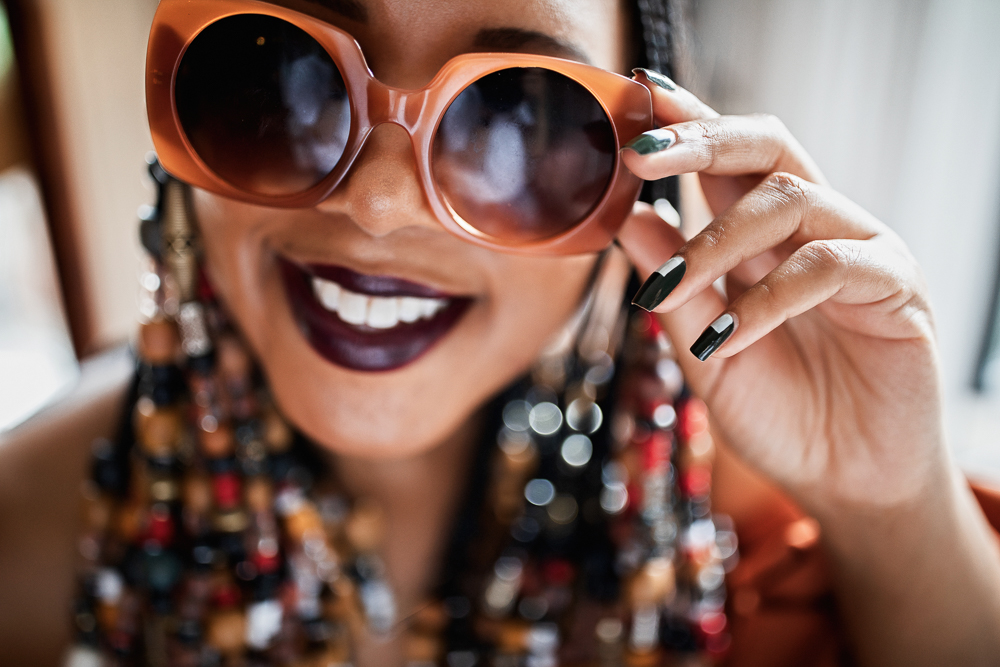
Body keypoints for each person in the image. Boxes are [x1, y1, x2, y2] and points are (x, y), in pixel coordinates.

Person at [4, 0, 1000, 665]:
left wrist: (893, 508)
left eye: (520, 114)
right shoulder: (23, 544)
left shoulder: (762, 520)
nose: (380, 204)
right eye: (280, 69)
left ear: (643, 175)